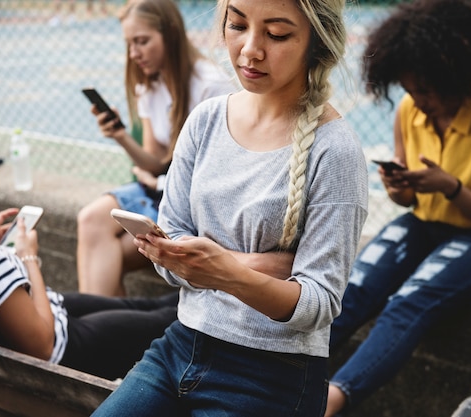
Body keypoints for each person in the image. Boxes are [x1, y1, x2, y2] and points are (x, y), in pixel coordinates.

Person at [91, 0, 368, 415]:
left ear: (317, 42)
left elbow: (319, 303)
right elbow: (170, 247)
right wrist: (254, 265)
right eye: (237, 25)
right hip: (181, 342)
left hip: (272, 373)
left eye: (276, 34)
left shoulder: (336, 151)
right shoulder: (204, 121)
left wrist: (228, 274)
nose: (250, 49)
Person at [324, 0, 471, 415]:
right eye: (409, 90)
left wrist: (451, 188)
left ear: (461, 75)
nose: (417, 101)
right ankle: (273, 367)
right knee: (353, 290)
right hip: (424, 223)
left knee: (409, 302)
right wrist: (398, 185)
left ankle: (331, 401)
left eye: (427, 91)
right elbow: (409, 201)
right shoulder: (409, 111)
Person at [0, 90, 179, 381]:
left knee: (151, 306)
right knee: (171, 318)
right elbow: (43, 347)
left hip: (14, 354)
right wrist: (27, 257)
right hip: (67, 351)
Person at [76, 0, 236, 296]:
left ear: (171, 34)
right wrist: (121, 136)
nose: (134, 53)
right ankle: (99, 331)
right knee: (90, 219)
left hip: (189, 203)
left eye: (142, 41)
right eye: (129, 44)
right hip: (158, 189)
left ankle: (95, 332)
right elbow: (153, 160)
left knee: (106, 252)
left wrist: (160, 179)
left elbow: (218, 175)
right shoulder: (149, 84)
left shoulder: (210, 87)